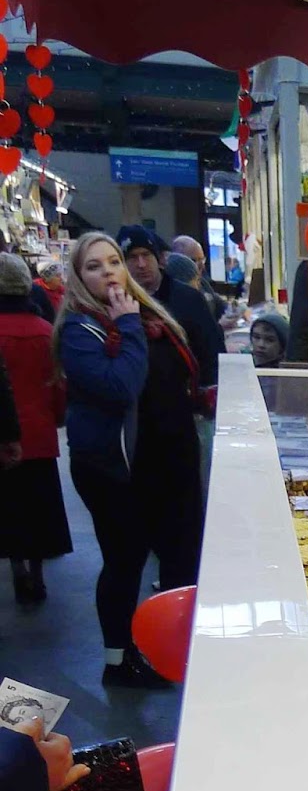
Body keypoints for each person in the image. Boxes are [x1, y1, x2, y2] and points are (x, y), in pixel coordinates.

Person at [57, 232, 203, 689]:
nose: (109, 272)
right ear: (79, 278)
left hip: (161, 458)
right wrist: (131, 324)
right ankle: (118, 661)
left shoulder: (144, 314)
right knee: (125, 560)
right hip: (113, 467)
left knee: (166, 554)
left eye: (113, 262)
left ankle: (169, 650)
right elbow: (121, 385)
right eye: (94, 266)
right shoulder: (81, 330)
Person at [0, 256, 71, 603]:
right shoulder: (46, 331)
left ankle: (17, 570)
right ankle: (38, 573)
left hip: (4, 438)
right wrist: (58, 417)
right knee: (39, 509)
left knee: (8, 508)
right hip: (40, 433)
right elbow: (58, 384)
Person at [115, 226, 221, 415]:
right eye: (132, 257)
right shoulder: (118, 303)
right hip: (139, 410)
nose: (141, 264)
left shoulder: (188, 298)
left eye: (146, 255)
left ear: (159, 259)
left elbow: (212, 351)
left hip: (186, 408)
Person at [170, 234, 225, 325]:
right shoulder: (173, 291)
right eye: (194, 260)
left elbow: (218, 303)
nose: (201, 265)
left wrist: (234, 309)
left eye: (202, 260)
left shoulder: (203, 282)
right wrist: (220, 326)